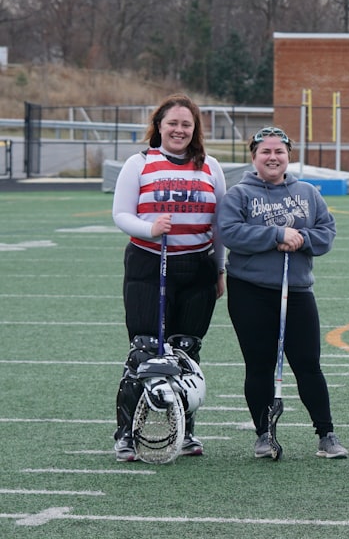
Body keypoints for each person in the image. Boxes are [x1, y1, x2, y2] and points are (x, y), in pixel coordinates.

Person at [218, 126, 348, 459]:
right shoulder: (240, 194)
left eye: (279, 151)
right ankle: (264, 434)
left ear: (289, 156)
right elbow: (230, 232)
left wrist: (302, 239)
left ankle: (326, 434)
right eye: (266, 152)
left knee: (308, 363)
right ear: (254, 157)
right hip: (250, 290)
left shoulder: (307, 191)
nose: (273, 157)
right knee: (259, 365)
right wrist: (276, 234)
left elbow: (327, 233)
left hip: (297, 290)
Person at [111, 94, 226, 461]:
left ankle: (185, 431)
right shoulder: (140, 162)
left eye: (186, 125)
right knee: (144, 351)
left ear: (195, 130)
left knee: (186, 352)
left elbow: (219, 226)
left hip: (198, 269)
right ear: (159, 125)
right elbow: (120, 213)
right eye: (172, 123)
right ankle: (125, 435)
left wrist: (220, 269)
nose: (179, 130)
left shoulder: (210, 167)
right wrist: (149, 228)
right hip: (149, 265)